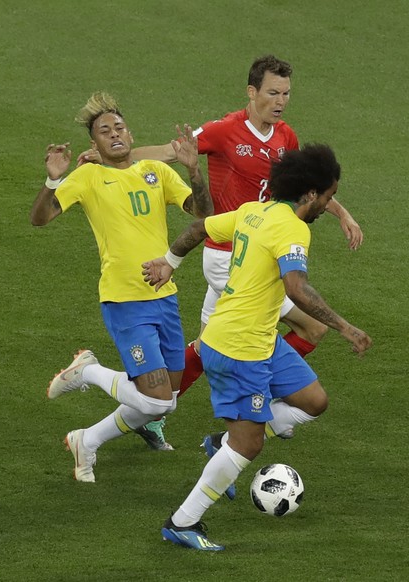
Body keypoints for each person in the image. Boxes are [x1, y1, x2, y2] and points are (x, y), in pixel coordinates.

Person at [141, 144, 372, 550]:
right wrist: (344, 327)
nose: (329, 205)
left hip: (259, 338)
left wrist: (168, 262)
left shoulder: (255, 210)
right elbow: (296, 287)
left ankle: (220, 443)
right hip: (237, 348)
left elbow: (200, 229)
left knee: (314, 401)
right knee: (249, 444)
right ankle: (182, 522)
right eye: (329, 196)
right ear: (310, 194)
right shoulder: (293, 228)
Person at [130, 54, 365, 447]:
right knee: (310, 326)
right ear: (252, 92)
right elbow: (171, 152)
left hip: (254, 251)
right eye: (273, 93)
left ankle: (151, 411)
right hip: (226, 255)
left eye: (286, 93)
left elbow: (306, 186)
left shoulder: (285, 137)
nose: (281, 101)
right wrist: (114, 158)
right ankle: (261, 403)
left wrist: (342, 213)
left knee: (211, 346)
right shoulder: (225, 131)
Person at [30, 91, 213, 482]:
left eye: (119, 127)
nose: (114, 134)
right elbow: (40, 218)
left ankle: (87, 440)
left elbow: (202, 214)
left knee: (166, 403)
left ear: (130, 134)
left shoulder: (156, 172)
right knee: (155, 399)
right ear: (93, 144)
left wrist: (194, 172)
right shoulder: (89, 177)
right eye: (104, 131)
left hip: (163, 296)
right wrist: (53, 179)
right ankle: (90, 371)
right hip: (124, 300)